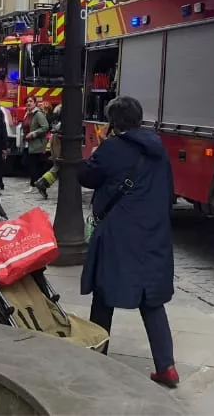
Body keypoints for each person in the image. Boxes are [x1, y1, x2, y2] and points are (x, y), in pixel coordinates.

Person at [79, 95, 178, 388]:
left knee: (104, 292)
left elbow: (87, 176)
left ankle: (98, 356)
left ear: (113, 122)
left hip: (118, 232)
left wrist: (95, 152)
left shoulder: (111, 148)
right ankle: (167, 366)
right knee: (152, 300)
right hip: (154, 232)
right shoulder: (159, 148)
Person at [21, 96, 49, 194]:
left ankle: (34, 185)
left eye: (31, 101)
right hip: (27, 143)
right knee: (27, 163)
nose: (28, 103)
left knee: (32, 165)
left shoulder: (38, 114)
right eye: (27, 101)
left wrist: (34, 133)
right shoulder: (27, 113)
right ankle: (37, 183)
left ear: (35, 103)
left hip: (36, 144)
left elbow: (45, 127)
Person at [35, 103, 62, 199]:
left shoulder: (57, 124)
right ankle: (42, 183)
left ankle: (42, 183)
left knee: (58, 166)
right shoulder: (62, 125)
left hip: (55, 144)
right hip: (59, 145)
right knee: (60, 165)